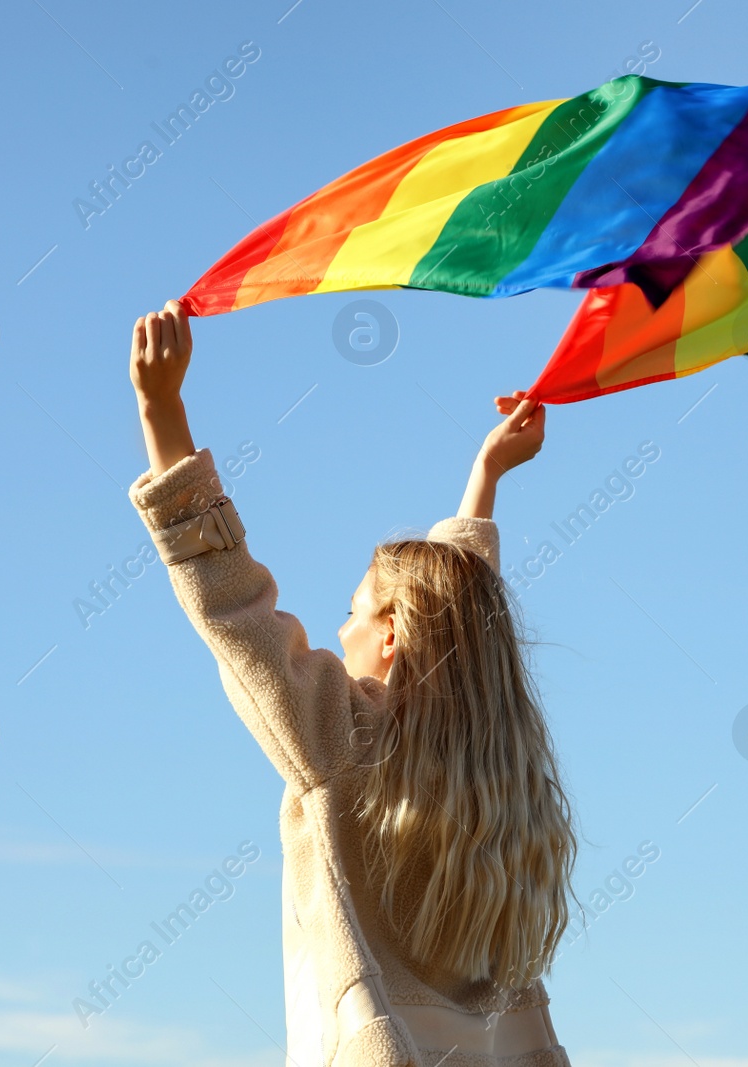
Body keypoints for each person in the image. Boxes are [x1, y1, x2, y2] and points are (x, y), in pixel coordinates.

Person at [126, 300, 577, 1066]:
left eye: (352, 610)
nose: (339, 631)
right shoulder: (506, 793)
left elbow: (234, 605)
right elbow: (463, 629)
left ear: (395, 633)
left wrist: (161, 411)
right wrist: (485, 477)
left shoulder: (343, 737)